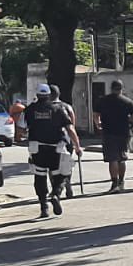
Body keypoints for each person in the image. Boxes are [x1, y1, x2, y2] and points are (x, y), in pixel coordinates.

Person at [23, 84, 81, 219]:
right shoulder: (58, 109)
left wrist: (22, 136)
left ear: (37, 95)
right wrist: (77, 145)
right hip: (56, 148)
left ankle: (44, 206)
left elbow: (20, 128)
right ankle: (56, 194)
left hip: (37, 148)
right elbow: (70, 128)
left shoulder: (29, 110)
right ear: (49, 95)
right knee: (60, 174)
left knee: (40, 176)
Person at [92, 80, 133, 194]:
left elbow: (96, 114)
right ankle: (121, 181)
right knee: (121, 157)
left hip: (108, 132)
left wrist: (98, 124)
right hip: (123, 132)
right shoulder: (127, 101)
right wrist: (126, 120)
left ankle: (114, 183)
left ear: (111, 88)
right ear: (121, 88)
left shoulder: (103, 100)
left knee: (112, 158)